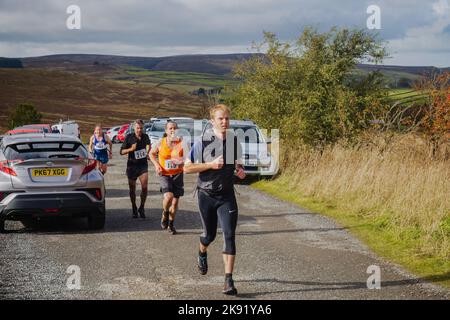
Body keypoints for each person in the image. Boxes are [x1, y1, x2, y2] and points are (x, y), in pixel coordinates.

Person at [184, 104, 246, 295]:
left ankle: (228, 280)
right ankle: (202, 251)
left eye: (227, 118)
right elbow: (187, 168)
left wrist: (239, 170)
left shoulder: (234, 141)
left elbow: (237, 162)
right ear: (212, 121)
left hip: (226, 195)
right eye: (220, 118)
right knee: (209, 236)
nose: (224, 121)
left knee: (229, 234)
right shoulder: (202, 142)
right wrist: (210, 164)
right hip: (206, 195)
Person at [149, 120, 185, 235]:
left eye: (175, 128)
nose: (173, 130)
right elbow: (151, 153)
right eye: (170, 128)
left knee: (174, 203)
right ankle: (165, 212)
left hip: (178, 174)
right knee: (168, 196)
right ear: (166, 131)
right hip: (164, 174)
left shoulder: (182, 142)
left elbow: (188, 157)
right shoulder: (160, 142)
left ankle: (171, 224)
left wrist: (183, 162)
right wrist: (156, 165)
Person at [120, 120, 151, 219]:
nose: (139, 130)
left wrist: (148, 152)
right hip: (132, 166)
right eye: (137, 128)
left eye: (141, 128)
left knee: (145, 187)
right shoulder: (129, 137)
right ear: (134, 128)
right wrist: (131, 149)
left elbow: (148, 146)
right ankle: (134, 207)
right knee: (132, 189)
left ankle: (142, 207)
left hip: (143, 165)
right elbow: (121, 152)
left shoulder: (145, 137)